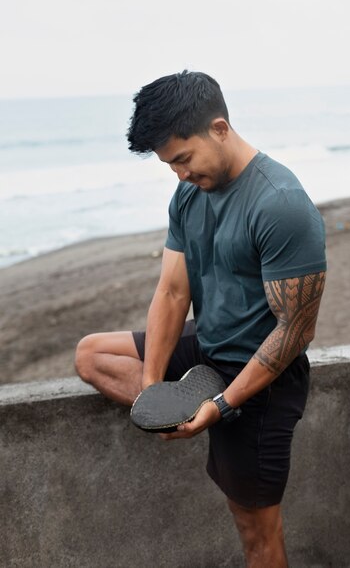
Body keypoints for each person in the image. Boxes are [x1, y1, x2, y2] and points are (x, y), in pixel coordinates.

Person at [75, 71, 327, 568]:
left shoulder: (281, 205)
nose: (180, 175)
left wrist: (224, 406)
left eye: (183, 159)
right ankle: (191, 408)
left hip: (260, 382)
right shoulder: (189, 196)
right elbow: (171, 293)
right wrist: (154, 393)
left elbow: (295, 332)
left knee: (258, 537)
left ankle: (212, 416)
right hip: (209, 347)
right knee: (92, 354)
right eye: (170, 166)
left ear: (218, 128)